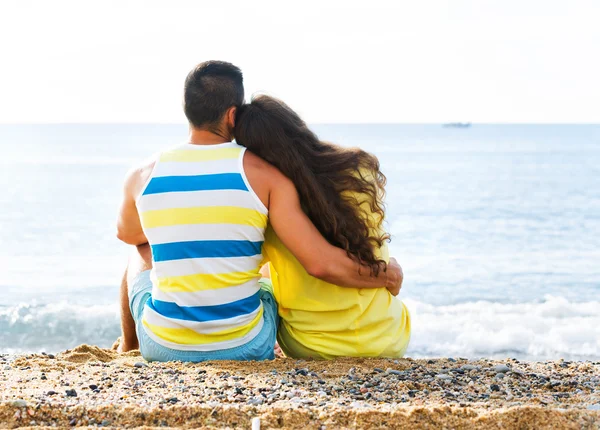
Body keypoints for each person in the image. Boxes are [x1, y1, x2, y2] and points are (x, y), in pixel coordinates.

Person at [115, 60, 404, 362]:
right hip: (246, 345)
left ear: (187, 110)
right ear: (232, 115)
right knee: (262, 271)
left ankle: (128, 347)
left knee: (139, 249)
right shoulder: (266, 176)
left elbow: (128, 234)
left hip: (163, 346)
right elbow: (319, 262)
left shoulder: (141, 175)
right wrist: (384, 276)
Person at [234, 95, 411, 359]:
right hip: (387, 337)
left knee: (264, 276)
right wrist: (387, 273)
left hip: (313, 347)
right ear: (297, 126)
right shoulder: (358, 168)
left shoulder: (268, 202)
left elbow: (315, 264)